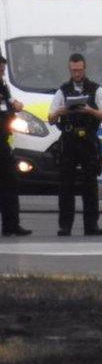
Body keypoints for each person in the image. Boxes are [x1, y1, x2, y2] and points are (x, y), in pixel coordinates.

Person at [48, 53, 102, 237]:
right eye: (74, 70)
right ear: (70, 69)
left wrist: (90, 110)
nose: (77, 74)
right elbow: (51, 118)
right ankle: (65, 226)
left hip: (88, 140)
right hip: (69, 139)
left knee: (90, 184)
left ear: (85, 69)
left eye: (80, 70)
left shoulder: (95, 90)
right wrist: (62, 110)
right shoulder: (62, 90)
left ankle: (91, 225)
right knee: (65, 184)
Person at [0, 55, 30, 237]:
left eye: (3, 71)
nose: (2, 74)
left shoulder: (4, 88)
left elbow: (9, 106)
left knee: (10, 183)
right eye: (0, 70)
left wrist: (15, 105)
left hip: (3, 142)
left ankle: (11, 224)